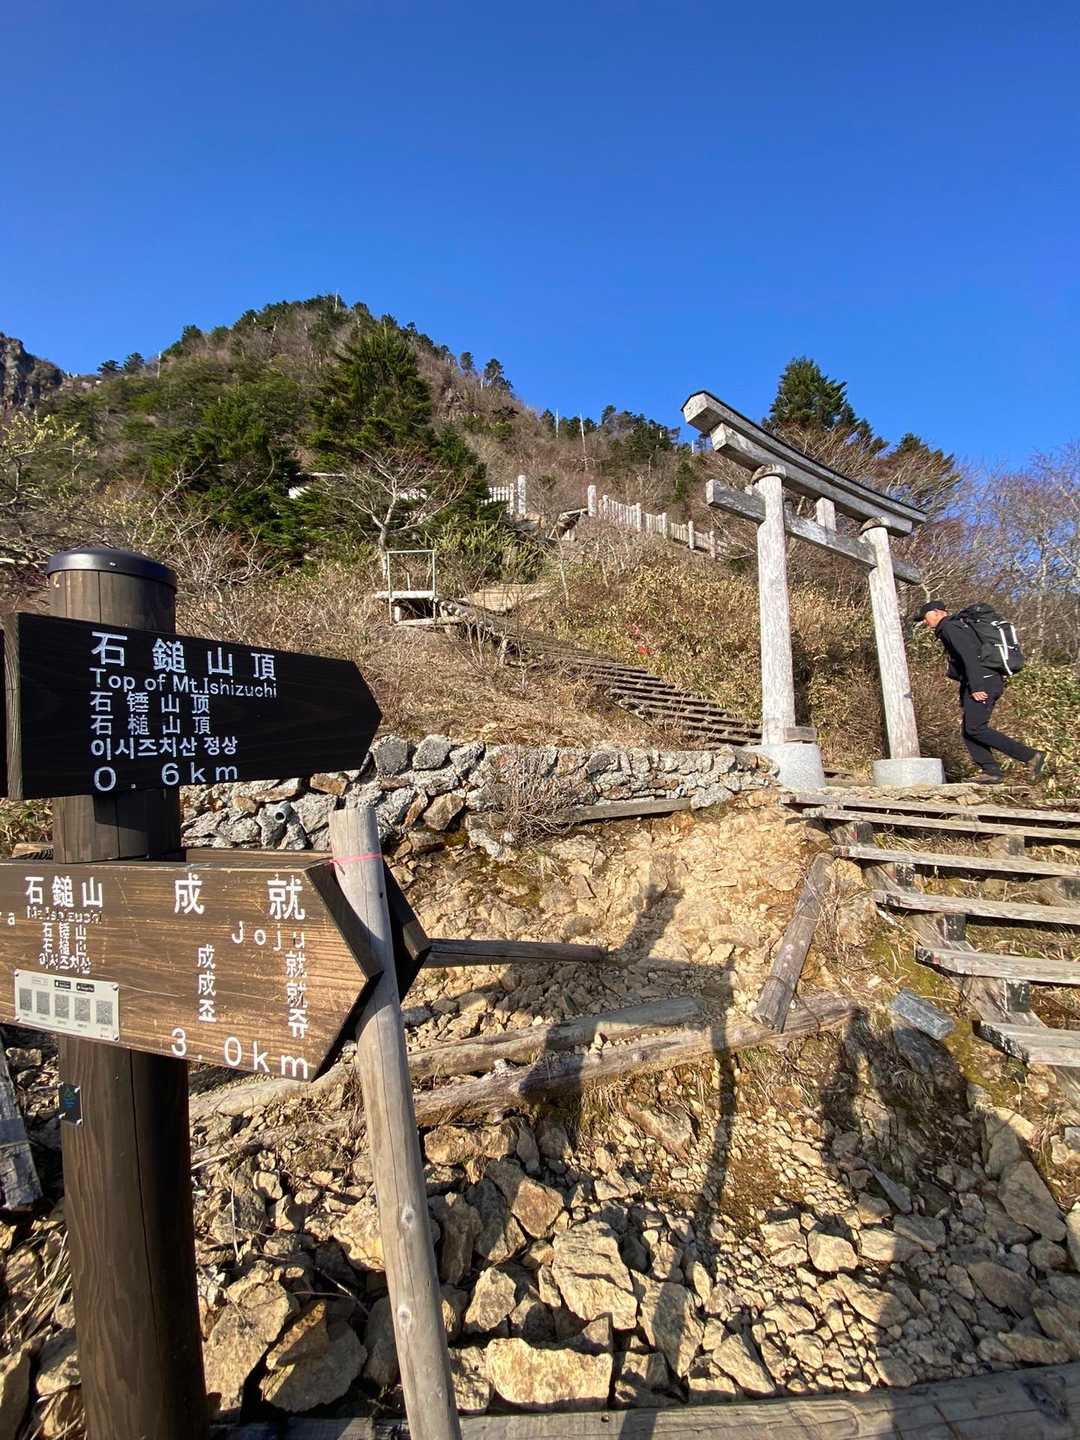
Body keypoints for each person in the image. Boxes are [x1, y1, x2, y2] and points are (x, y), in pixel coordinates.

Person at [915, 600, 1045, 785]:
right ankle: (991, 771)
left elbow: (969, 656)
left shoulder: (950, 627)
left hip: (983, 681)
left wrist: (977, 686)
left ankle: (1031, 756)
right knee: (969, 730)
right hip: (983, 680)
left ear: (937, 612)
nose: (924, 622)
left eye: (925, 617)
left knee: (975, 728)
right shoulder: (955, 626)